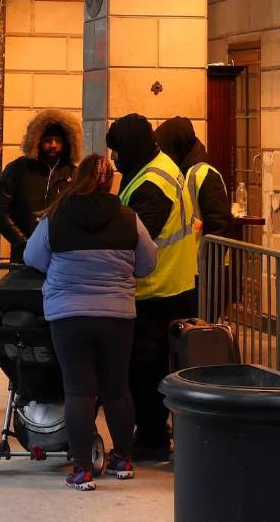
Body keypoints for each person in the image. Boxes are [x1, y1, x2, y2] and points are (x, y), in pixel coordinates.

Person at [24, 154, 157, 491]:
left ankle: (82, 470)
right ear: (110, 180)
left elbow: (32, 257)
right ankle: (123, 460)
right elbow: (148, 262)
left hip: (69, 317)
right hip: (117, 317)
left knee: (79, 391)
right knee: (116, 389)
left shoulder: (57, 215)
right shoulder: (128, 217)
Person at [106, 113, 198, 461]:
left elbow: (137, 236)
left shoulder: (152, 182)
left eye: (117, 151)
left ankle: (152, 438)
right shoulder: (157, 166)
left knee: (145, 369)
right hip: (172, 283)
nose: (115, 159)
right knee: (151, 367)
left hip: (157, 290)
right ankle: (151, 431)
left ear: (131, 147)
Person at [0, 109, 82, 262]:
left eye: (58, 140)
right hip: (23, 258)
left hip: (59, 259)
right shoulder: (18, 169)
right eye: (48, 139)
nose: (53, 145)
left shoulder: (74, 175)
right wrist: (23, 243)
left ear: (67, 143)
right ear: (37, 140)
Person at [155, 116, 231, 237]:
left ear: (175, 147)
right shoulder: (182, 172)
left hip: (203, 254)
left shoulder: (204, 174)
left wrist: (207, 256)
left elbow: (219, 225)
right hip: (192, 254)